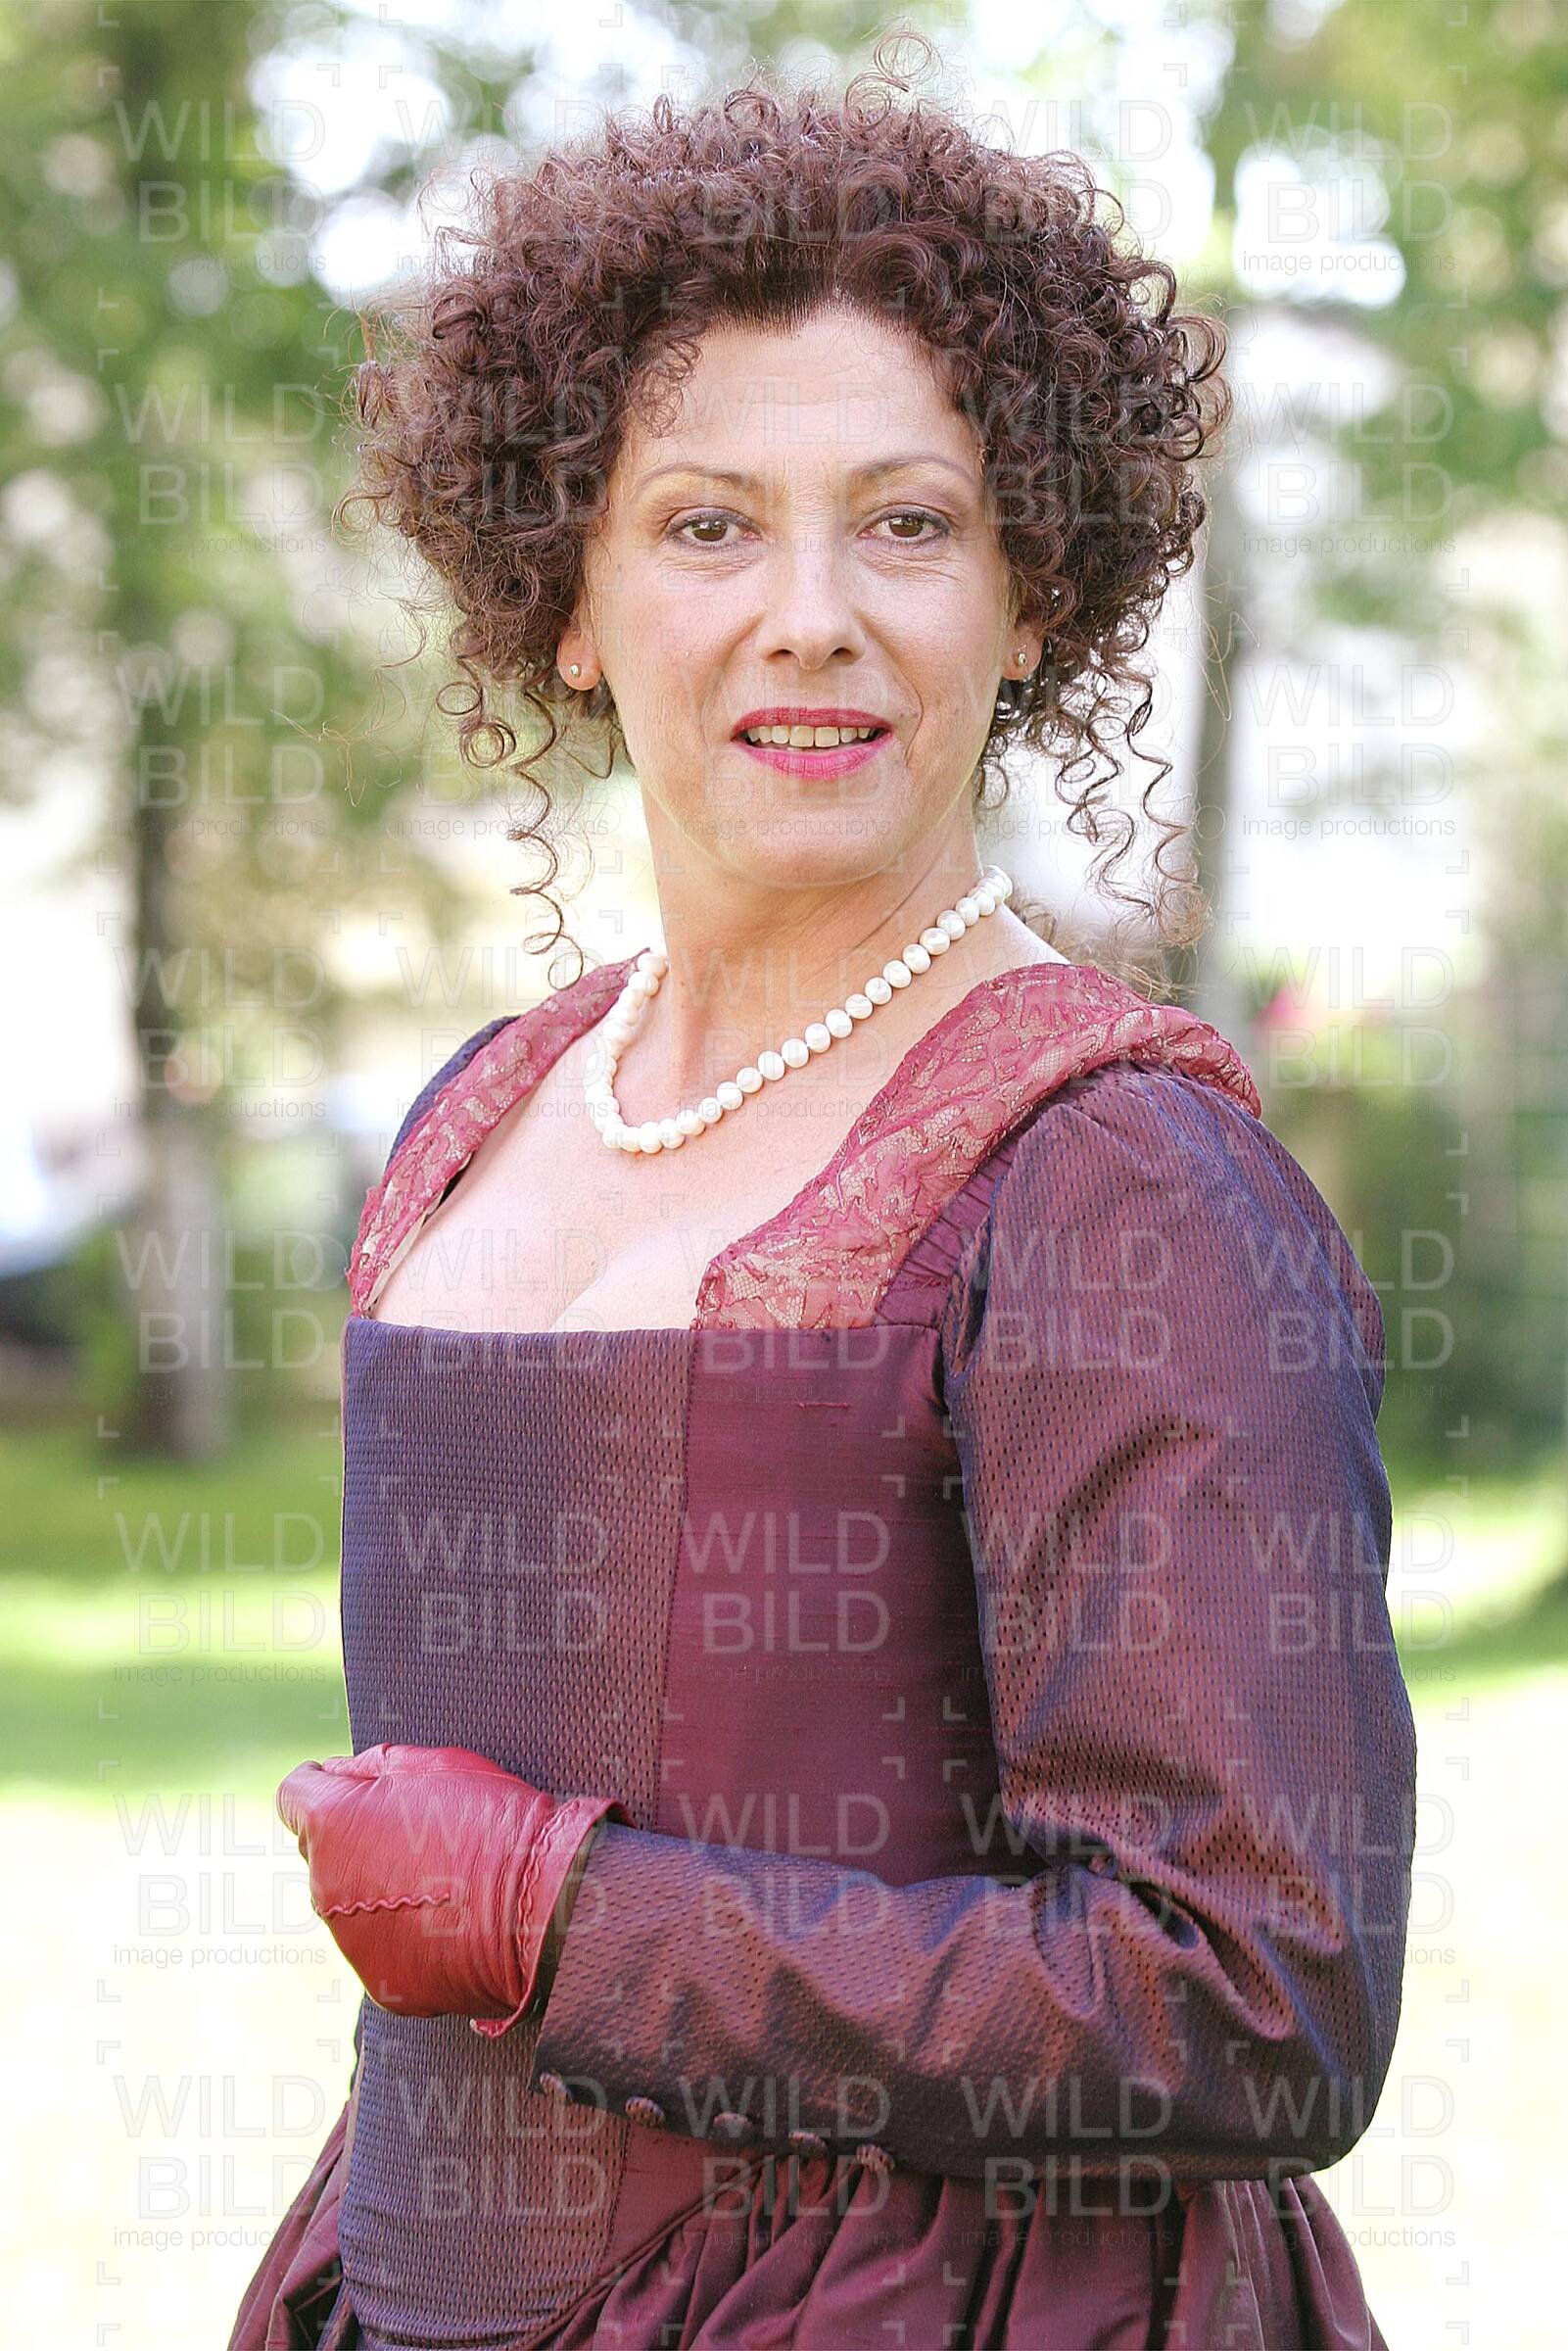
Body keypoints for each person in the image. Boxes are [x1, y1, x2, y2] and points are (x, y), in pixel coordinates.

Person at [228, 39, 1417, 2351]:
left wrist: (565, 1921)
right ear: (565, 601)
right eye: (705, 526)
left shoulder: (1115, 1180)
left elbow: (1252, 1991)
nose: (811, 614)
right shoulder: (480, 1120)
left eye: (909, 523)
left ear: (1030, 593)